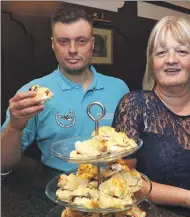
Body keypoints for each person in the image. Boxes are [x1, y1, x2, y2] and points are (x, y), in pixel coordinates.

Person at [112, 16, 190, 217]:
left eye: (181, 51)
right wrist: (188, 198)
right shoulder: (134, 105)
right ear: (152, 63)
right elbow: (122, 178)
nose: (171, 60)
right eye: (161, 52)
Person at [1, 8, 129, 172]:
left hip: (112, 190)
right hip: (58, 188)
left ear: (93, 43)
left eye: (81, 41)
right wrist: (14, 127)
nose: (73, 50)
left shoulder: (119, 88)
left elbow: (129, 147)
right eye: (64, 41)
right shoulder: (32, 94)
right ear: (53, 44)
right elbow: (3, 164)